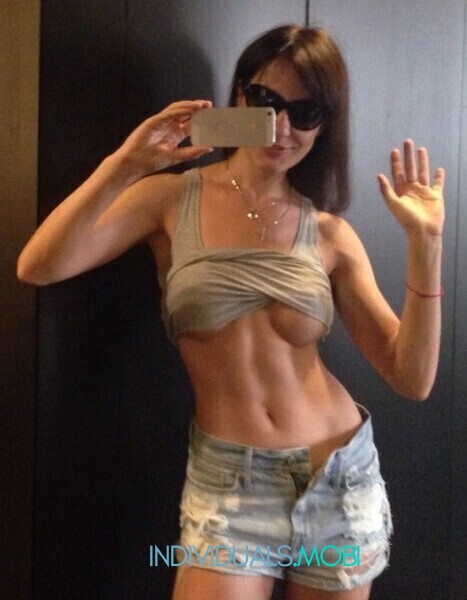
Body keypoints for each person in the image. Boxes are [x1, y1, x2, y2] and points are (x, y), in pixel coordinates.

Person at [17, 24, 444, 600]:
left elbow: (412, 378)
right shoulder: (170, 199)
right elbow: (39, 265)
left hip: (339, 475)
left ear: (325, 124)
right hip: (229, 483)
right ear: (239, 96)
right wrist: (126, 164)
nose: (283, 128)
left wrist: (426, 246)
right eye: (267, 103)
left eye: (306, 112)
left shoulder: (330, 234)